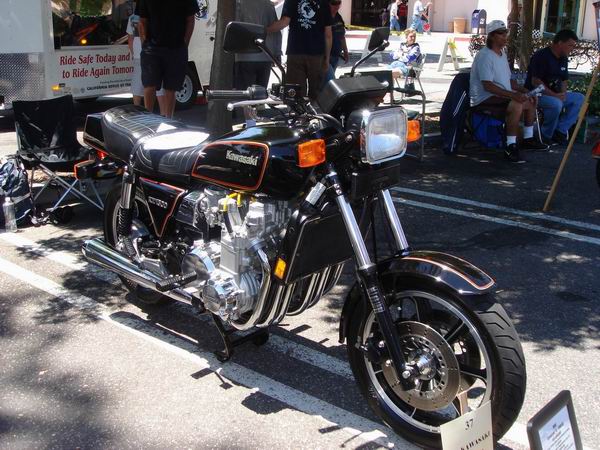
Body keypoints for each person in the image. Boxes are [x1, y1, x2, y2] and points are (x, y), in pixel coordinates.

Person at [470, 20, 548, 163]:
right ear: (492, 36)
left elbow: (508, 81)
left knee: (530, 100)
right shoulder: (485, 56)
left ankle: (528, 139)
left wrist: (525, 90)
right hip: (484, 98)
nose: (505, 36)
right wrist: (513, 95)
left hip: (500, 95)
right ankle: (510, 146)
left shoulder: (502, 53)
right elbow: (488, 86)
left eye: (506, 33)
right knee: (516, 104)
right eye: (501, 33)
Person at [137, 0, 199, 118]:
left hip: (176, 48)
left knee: (171, 88)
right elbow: (142, 21)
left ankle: (168, 119)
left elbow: (191, 19)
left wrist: (184, 44)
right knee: (149, 85)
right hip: (152, 48)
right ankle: (147, 120)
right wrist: (144, 44)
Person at [525, 29, 584, 145]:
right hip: (536, 94)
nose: (572, 49)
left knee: (579, 98)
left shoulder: (563, 58)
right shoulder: (541, 56)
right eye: (570, 45)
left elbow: (564, 79)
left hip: (555, 94)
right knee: (556, 104)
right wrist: (555, 96)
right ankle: (546, 135)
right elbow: (536, 81)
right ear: (560, 43)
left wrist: (563, 94)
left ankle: (560, 131)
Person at [267, 0, 333, 100]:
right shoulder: (324, 3)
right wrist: (327, 59)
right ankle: (313, 109)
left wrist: (264, 30)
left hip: (296, 52)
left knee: (295, 94)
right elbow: (328, 34)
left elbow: (284, 22)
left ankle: (299, 109)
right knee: (316, 95)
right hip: (316, 54)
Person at [234, 0, 282, 90]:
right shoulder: (268, 5)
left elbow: (235, 29)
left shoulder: (239, 4)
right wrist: (277, 53)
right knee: (261, 92)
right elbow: (277, 32)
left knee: (245, 93)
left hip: (245, 56)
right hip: (266, 54)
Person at [126, 12, 165, 111]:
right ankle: (164, 114)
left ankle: (137, 113)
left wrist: (134, 54)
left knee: (137, 86)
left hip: (139, 56)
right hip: (154, 54)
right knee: (158, 86)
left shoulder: (132, 18)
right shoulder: (156, 14)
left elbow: (130, 39)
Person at [323, 0, 348, 86]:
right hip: (325, 57)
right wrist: (326, 58)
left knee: (325, 84)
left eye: (339, 3)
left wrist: (345, 51)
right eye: (334, 3)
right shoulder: (323, 16)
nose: (337, 6)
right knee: (332, 83)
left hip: (336, 56)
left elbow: (342, 36)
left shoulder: (339, 17)